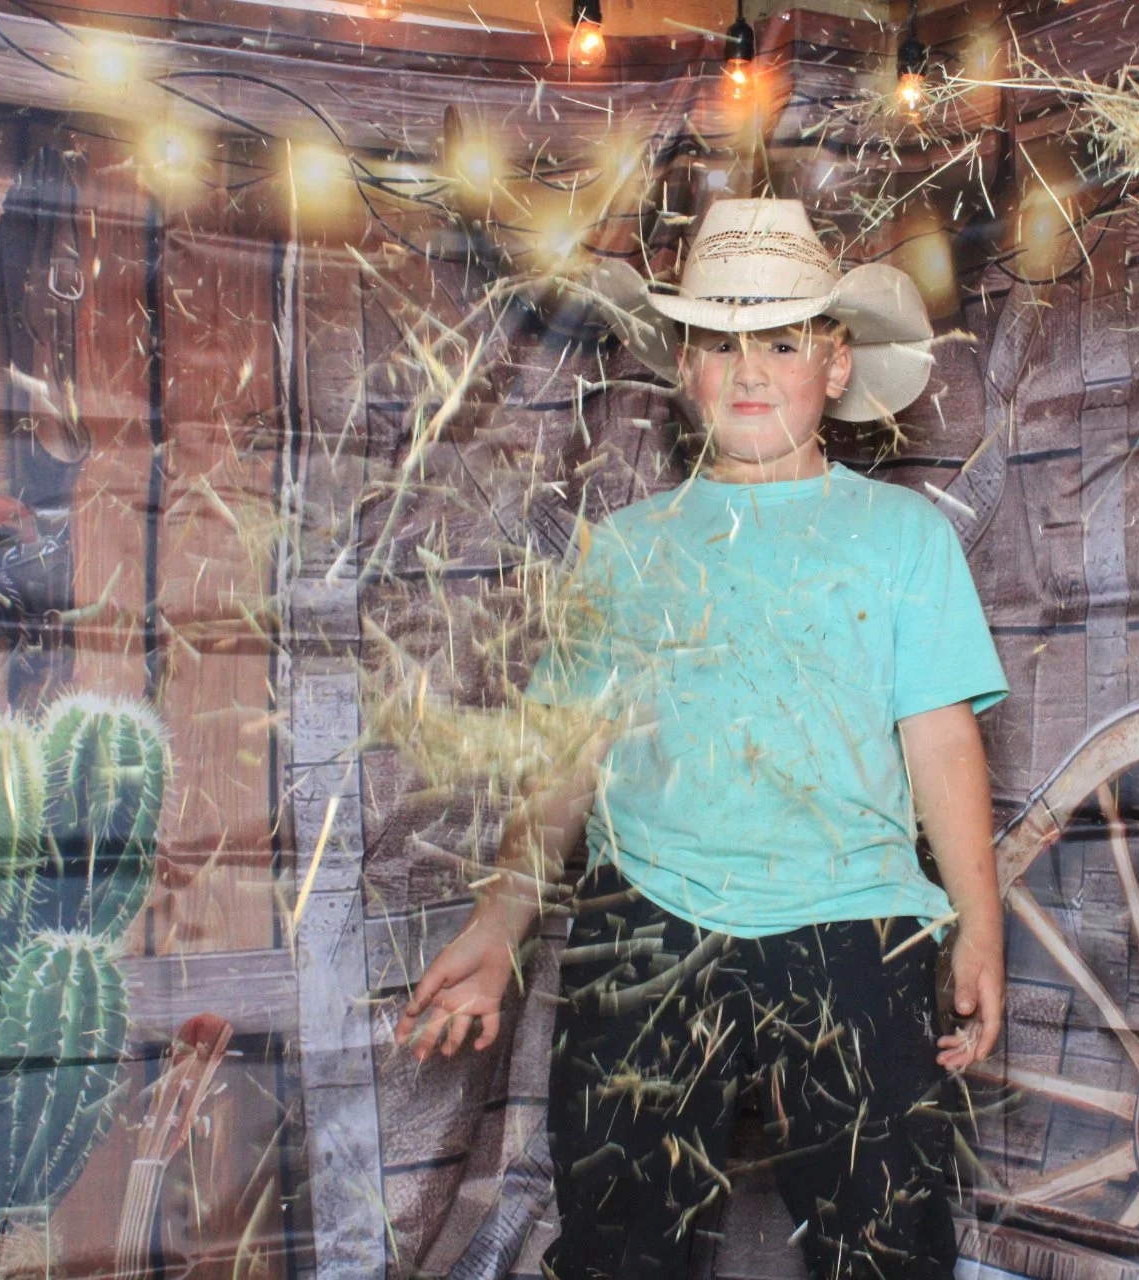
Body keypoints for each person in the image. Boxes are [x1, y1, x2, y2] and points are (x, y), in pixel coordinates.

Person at [394, 198, 1009, 1280]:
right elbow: (563, 764)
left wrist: (980, 920)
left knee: (891, 1238)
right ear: (685, 369)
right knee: (622, 1242)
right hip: (651, 927)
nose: (752, 368)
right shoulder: (626, 551)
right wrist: (499, 924)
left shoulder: (904, 536)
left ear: (834, 363)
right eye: (721, 344)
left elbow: (941, 742)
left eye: (781, 340)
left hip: (856, 924)